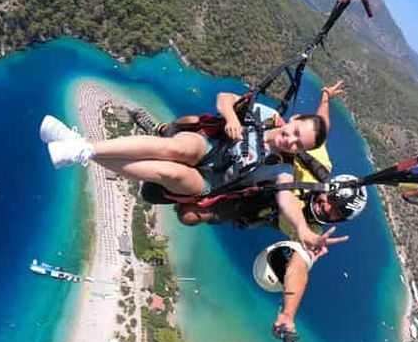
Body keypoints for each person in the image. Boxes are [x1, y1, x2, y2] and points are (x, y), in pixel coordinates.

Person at [40, 90, 347, 254]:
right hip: (209, 146)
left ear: (298, 152)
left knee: (173, 174)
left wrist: (303, 230)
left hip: (212, 182)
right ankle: (83, 149)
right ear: (291, 120)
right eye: (294, 131)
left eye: (297, 144)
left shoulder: (281, 169)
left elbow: (287, 202)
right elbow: (226, 97)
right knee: (178, 149)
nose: (290, 140)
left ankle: (82, 148)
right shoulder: (267, 117)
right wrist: (230, 116)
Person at [174, 80, 367, 233]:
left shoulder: (313, 229)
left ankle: (181, 191)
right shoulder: (319, 166)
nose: (326, 207)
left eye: (334, 213)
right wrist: (325, 97)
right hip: (259, 157)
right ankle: (167, 129)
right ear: (329, 186)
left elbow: (300, 260)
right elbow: (322, 127)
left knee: (187, 215)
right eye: (331, 199)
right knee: (197, 123)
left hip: (246, 200)